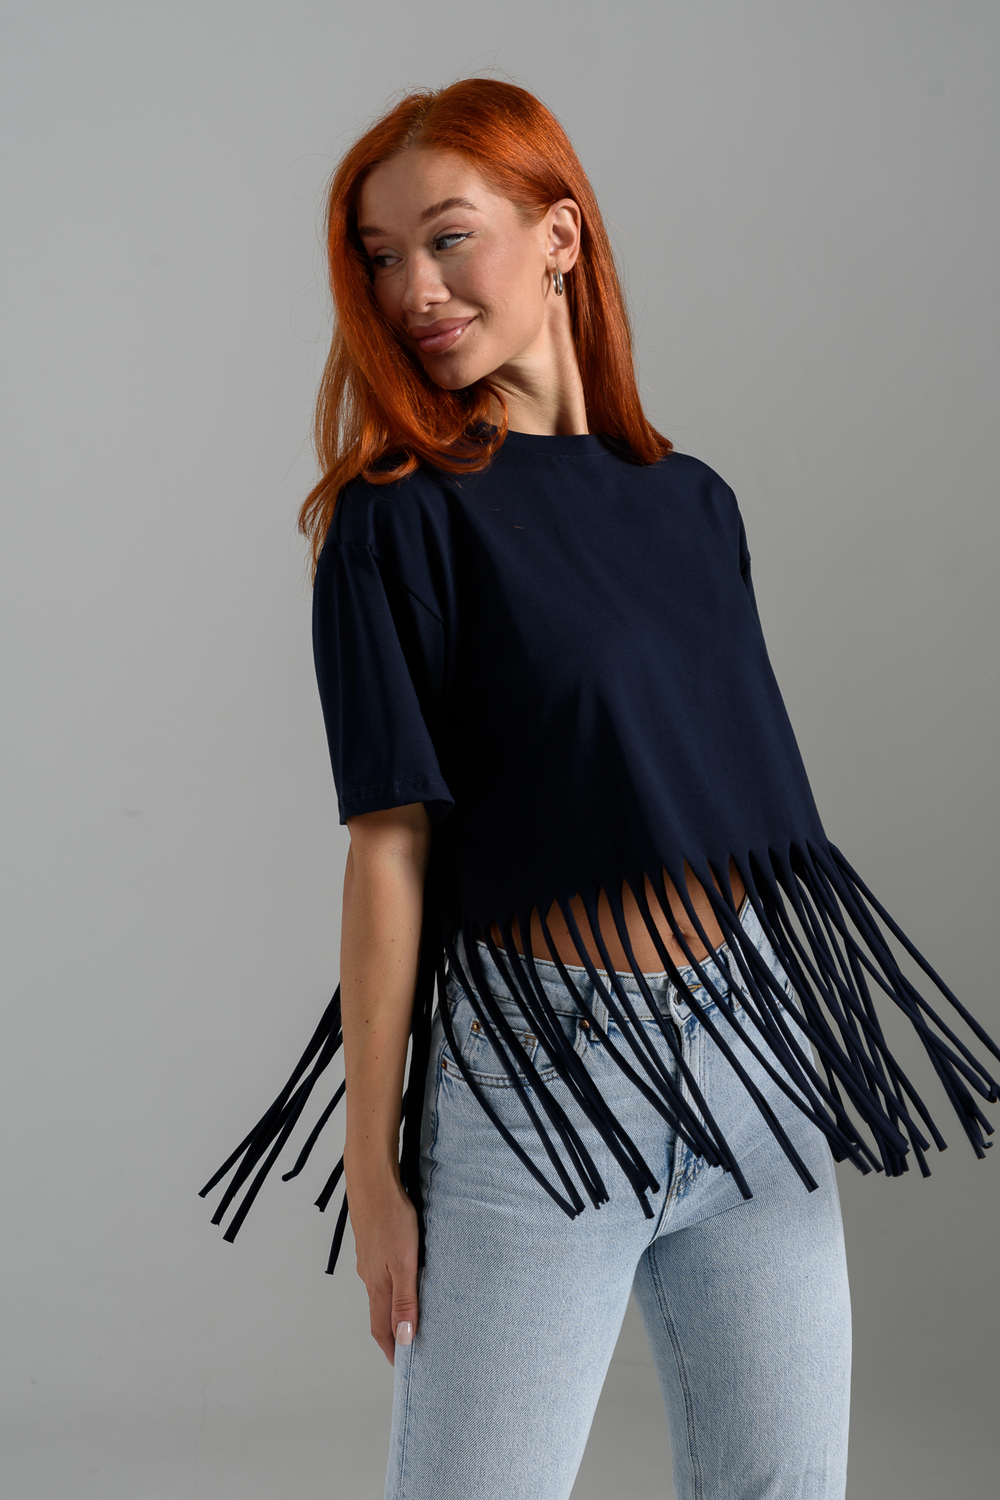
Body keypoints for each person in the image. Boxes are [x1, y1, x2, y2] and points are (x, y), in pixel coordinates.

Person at [202, 79, 1000, 1500]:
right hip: (539, 1083)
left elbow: (713, 783)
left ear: (560, 236)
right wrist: (376, 1169)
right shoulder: (395, 523)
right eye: (380, 258)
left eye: (448, 238)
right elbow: (389, 848)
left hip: (755, 1061)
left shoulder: (694, 504)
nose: (413, 290)